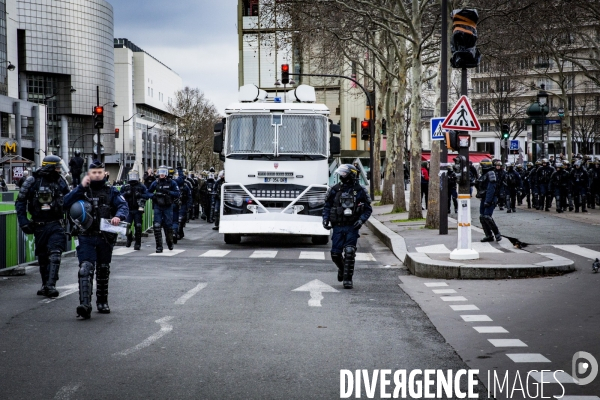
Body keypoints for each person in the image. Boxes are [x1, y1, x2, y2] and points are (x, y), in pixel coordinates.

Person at [64, 160, 128, 319]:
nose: (97, 175)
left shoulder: (111, 191)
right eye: (94, 172)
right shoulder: (81, 190)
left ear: (105, 173)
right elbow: (64, 203)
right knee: (85, 268)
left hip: (105, 236)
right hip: (86, 235)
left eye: (100, 172)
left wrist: (118, 217)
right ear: (89, 174)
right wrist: (80, 187)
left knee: (103, 269)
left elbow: (123, 206)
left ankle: (102, 302)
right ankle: (85, 305)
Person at [15, 155, 70, 297]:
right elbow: (20, 202)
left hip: (56, 224)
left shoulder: (61, 181)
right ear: (50, 167)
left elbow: (70, 200)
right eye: (57, 167)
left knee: (55, 253)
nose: (59, 170)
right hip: (39, 225)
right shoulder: (32, 181)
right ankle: (45, 284)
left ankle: (51, 285)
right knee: (43, 257)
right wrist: (23, 222)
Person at [322, 164, 372, 289]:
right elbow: (327, 206)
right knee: (335, 254)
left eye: (344, 174)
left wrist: (361, 221)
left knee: (349, 252)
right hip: (338, 226)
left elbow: (367, 209)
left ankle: (348, 279)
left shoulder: (359, 190)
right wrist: (325, 219)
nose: (341, 176)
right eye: (341, 174)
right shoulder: (335, 189)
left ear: (351, 175)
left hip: (352, 227)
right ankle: (342, 269)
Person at [147, 165, 179, 253]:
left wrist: (168, 193)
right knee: (157, 226)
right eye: (160, 172)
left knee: (168, 226)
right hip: (158, 206)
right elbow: (148, 192)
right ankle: (159, 247)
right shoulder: (155, 182)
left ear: (166, 173)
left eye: (163, 172)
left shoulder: (172, 182)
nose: (161, 174)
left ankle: (170, 242)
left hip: (168, 206)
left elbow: (177, 193)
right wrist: (154, 196)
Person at [120, 169, 150, 250]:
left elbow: (147, 195)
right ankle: (129, 238)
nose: (133, 178)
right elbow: (119, 197)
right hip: (128, 209)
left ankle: (137, 243)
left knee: (138, 226)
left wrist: (140, 195)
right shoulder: (125, 186)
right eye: (131, 176)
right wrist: (126, 193)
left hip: (138, 209)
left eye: (134, 176)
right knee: (126, 226)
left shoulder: (141, 186)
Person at [476, 159, 502, 242]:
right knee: (482, 217)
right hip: (484, 198)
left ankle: (497, 234)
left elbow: (491, 189)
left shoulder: (491, 174)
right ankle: (489, 235)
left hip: (490, 199)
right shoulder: (484, 174)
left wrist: (488, 201)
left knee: (487, 216)